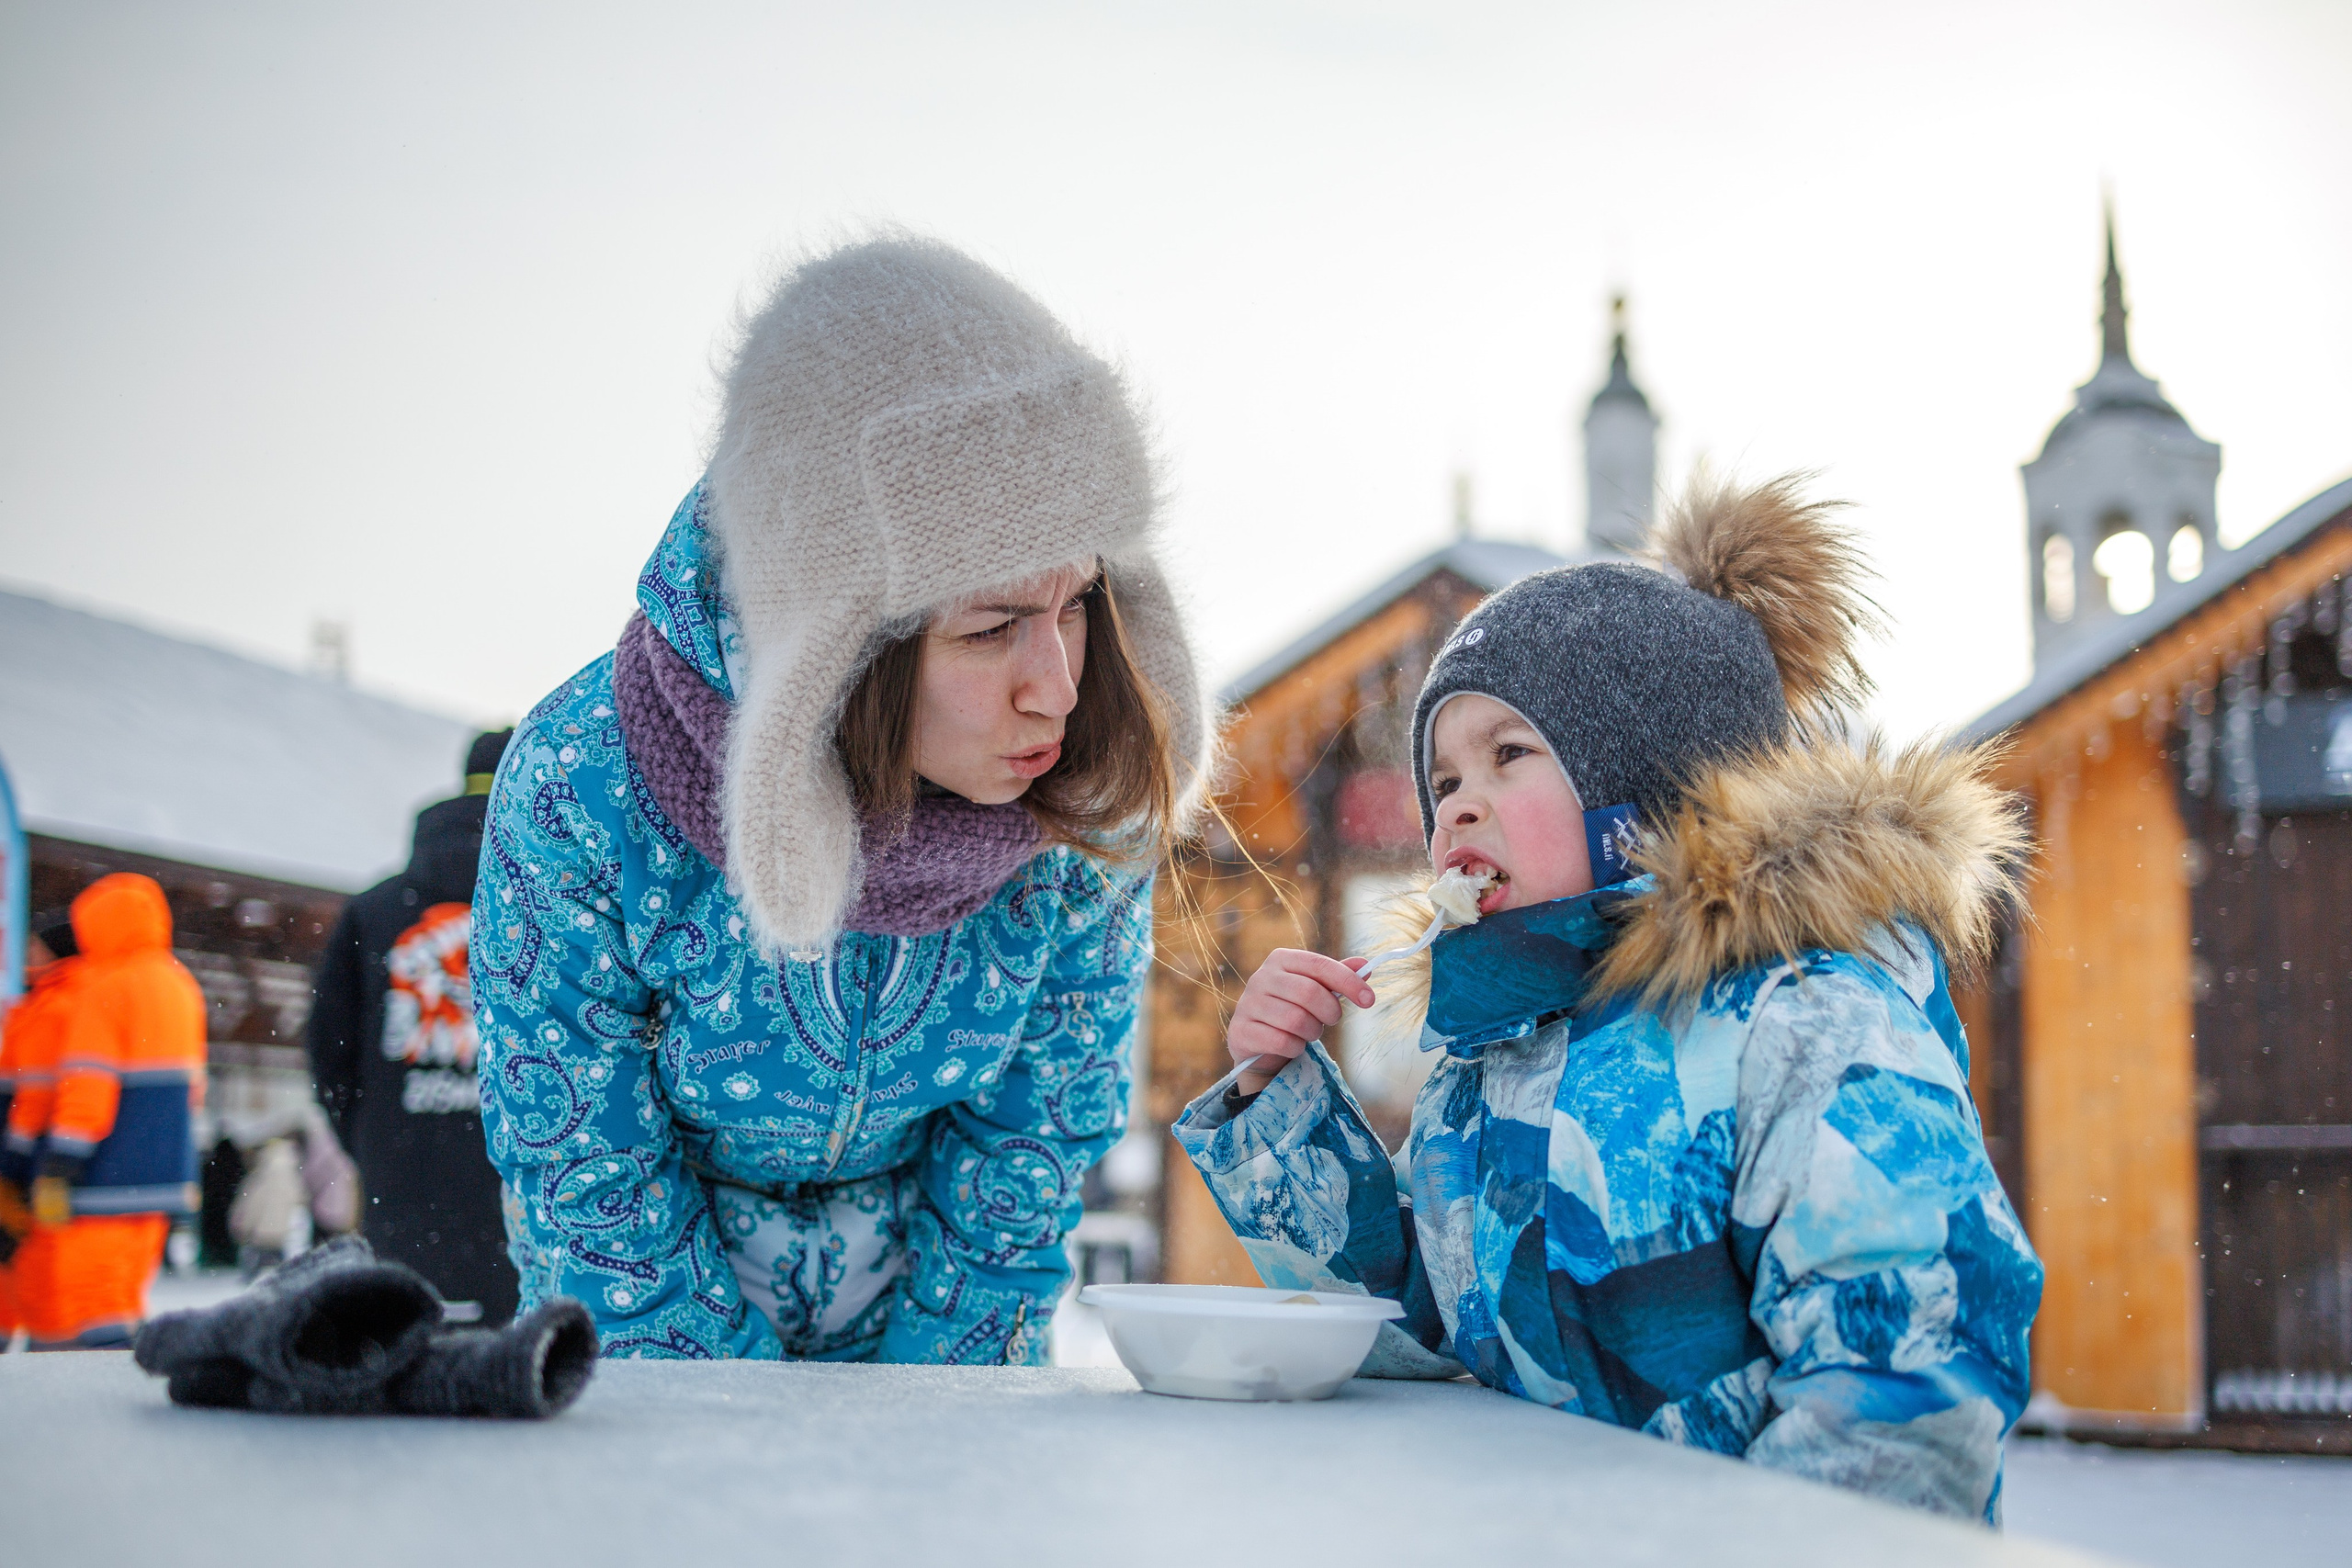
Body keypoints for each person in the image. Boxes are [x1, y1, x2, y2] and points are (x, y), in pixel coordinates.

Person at [1180, 475, 2044, 1522]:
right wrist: (1282, 1106)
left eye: (1508, 755)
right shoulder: (1493, 1053)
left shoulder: (1809, 1024)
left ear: (1648, 793)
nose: (1459, 807)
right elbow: (1418, 1321)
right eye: (1443, 782)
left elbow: (1908, 1370)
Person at [473, 237, 1207, 1361]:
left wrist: (928, 1433)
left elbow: (1025, 1162)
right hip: (651, 1387)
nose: (1057, 687)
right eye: (992, 626)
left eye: (1078, 605)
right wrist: (736, 1440)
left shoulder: (1080, 813)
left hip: (934, 1381)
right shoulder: (581, 792)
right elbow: (591, 1182)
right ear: (836, 648)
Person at [309, 729, 518, 1321]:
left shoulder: (374, 909)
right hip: (515, 1190)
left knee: (401, 1349)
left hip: (401, 1187)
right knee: (521, 1369)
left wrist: (373, 1134)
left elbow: (329, 1046)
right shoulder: (556, 899)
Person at [0, 875, 206, 1348]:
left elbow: (88, 1086)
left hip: (104, 1178)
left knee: (83, 1304)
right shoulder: (180, 985)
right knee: (120, 1299)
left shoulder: (105, 988)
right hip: (162, 1177)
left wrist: (60, 1162)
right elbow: (192, 1089)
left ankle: (95, 1405)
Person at [0, 921, 81, 1341]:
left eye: (35, 946)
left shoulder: (56, 1007)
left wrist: (13, 1161)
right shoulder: (37, 1005)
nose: (28, 954)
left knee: (33, 1268)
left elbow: (35, 1094)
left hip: (34, 1158)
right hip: (35, 1154)